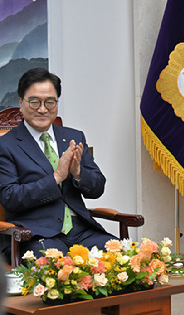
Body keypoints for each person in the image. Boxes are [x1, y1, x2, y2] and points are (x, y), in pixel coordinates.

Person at [0, 68, 116, 258]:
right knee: (61, 270)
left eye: (50, 102)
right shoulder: (6, 145)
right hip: (35, 234)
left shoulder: (73, 137)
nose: (43, 109)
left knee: (125, 260)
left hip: (82, 230)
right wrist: (55, 178)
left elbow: (98, 188)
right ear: (21, 102)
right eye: (35, 102)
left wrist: (78, 173)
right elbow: (10, 197)